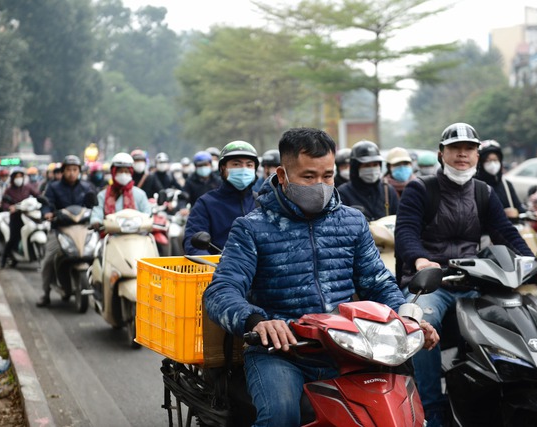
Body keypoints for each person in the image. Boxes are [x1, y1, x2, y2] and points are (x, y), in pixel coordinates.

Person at [204, 127, 439, 427]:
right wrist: (258, 321)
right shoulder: (251, 228)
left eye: (327, 176)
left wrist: (409, 317)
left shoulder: (352, 222)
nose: (320, 185)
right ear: (282, 174)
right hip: (282, 352)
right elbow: (220, 291)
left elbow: (377, 282)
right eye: (308, 177)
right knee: (280, 415)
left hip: (351, 346)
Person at [394, 122, 537, 426]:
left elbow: (504, 231)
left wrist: (532, 260)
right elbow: (406, 233)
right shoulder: (421, 188)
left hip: (474, 280)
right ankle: (431, 407)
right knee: (421, 322)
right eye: (455, 148)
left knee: (517, 318)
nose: (462, 155)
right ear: (441, 153)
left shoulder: (484, 191)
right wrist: (419, 260)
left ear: (477, 155)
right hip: (433, 283)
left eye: (469, 149)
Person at [36, 155, 96, 307]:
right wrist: (47, 212)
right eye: (68, 170)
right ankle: (45, 293)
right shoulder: (53, 187)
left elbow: (94, 204)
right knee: (49, 259)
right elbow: (47, 204)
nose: (71, 173)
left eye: (75, 170)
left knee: (98, 254)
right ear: (63, 171)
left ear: (79, 171)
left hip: (82, 229)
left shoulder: (86, 187)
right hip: (59, 229)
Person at [184, 140, 259, 255]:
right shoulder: (206, 204)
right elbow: (193, 242)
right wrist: (211, 265)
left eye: (249, 165)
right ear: (222, 168)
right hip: (219, 269)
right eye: (236, 164)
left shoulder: (262, 203)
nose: (244, 169)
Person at [338, 140, 399, 221]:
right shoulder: (343, 193)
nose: (372, 169)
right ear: (356, 167)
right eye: (367, 165)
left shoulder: (388, 190)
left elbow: (399, 220)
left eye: (375, 165)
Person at [90, 152, 151, 228]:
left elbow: (147, 214)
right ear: (113, 172)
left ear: (131, 173)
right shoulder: (102, 195)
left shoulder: (140, 194)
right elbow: (97, 213)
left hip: (136, 235)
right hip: (110, 236)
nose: (123, 174)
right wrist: (96, 221)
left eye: (126, 171)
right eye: (120, 171)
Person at [475, 140, 526, 219]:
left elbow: (519, 208)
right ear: (480, 163)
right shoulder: (474, 185)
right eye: (488, 160)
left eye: (495, 160)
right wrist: (503, 213)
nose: (492, 164)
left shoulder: (506, 184)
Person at [0, 167, 40, 268]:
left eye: (20, 176)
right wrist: (10, 207)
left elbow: (37, 195)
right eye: (16, 176)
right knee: (13, 238)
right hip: (15, 217)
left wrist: (41, 200)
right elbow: (4, 203)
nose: (19, 178)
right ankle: (3, 260)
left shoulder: (27, 187)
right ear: (13, 178)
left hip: (28, 215)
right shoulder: (8, 190)